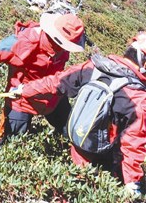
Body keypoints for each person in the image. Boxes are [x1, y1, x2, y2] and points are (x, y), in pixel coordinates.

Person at [14, 33, 146, 198]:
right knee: (94, 192)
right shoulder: (138, 98)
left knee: (71, 186)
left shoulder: (94, 67)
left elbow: (56, 82)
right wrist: (132, 183)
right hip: (107, 157)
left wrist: (24, 89)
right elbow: (132, 145)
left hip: (79, 141)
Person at [0, 12, 85, 143]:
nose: (64, 48)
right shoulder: (23, 42)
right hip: (21, 101)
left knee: (72, 133)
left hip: (53, 98)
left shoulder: (63, 47)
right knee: (11, 143)